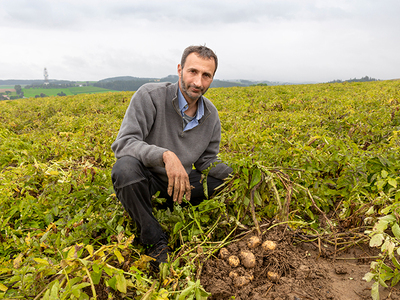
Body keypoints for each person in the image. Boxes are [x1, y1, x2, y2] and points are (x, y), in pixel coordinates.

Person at [111, 45, 232, 267]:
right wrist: (165, 155)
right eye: (192, 72)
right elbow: (124, 143)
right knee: (124, 169)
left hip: (182, 185)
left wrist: (239, 173)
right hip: (148, 181)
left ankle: (172, 209)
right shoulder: (150, 96)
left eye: (206, 75)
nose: (198, 82)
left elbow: (207, 162)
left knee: (223, 179)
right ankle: (154, 239)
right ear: (179, 70)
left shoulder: (211, 115)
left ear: (212, 78)